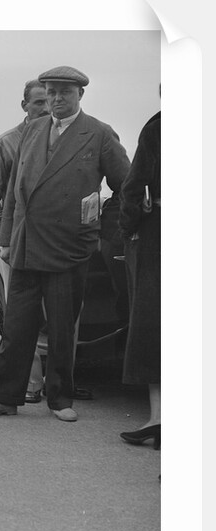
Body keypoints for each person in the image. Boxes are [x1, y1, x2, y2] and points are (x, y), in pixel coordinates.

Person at [0, 66, 130, 422]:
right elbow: (15, 191)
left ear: (80, 96)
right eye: (52, 92)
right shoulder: (33, 130)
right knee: (16, 328)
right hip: (26, 245)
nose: (57, 99)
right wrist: (9, 238)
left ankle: (60, 400)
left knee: (61, 329)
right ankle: (4, 398)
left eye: (65, 93)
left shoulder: (100, 134)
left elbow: (126, 187)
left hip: (68, 247)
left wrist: (95, 229)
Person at [0, 81, 49, 401]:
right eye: (38, 103)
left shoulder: (59, 138)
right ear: (24, 106)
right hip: (13, 240)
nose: (45, 108)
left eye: (49, 102)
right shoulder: (7, 143)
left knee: (55, 313)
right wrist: (6, 238)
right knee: (20, 313)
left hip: (51, 240)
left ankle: (61, 385)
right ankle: (32, 386)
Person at [118, 110, 161, 449]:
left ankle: (159, 418)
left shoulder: (158, 126)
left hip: (161, 232)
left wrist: (129, 227)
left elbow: (133, 187)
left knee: (153, 325)